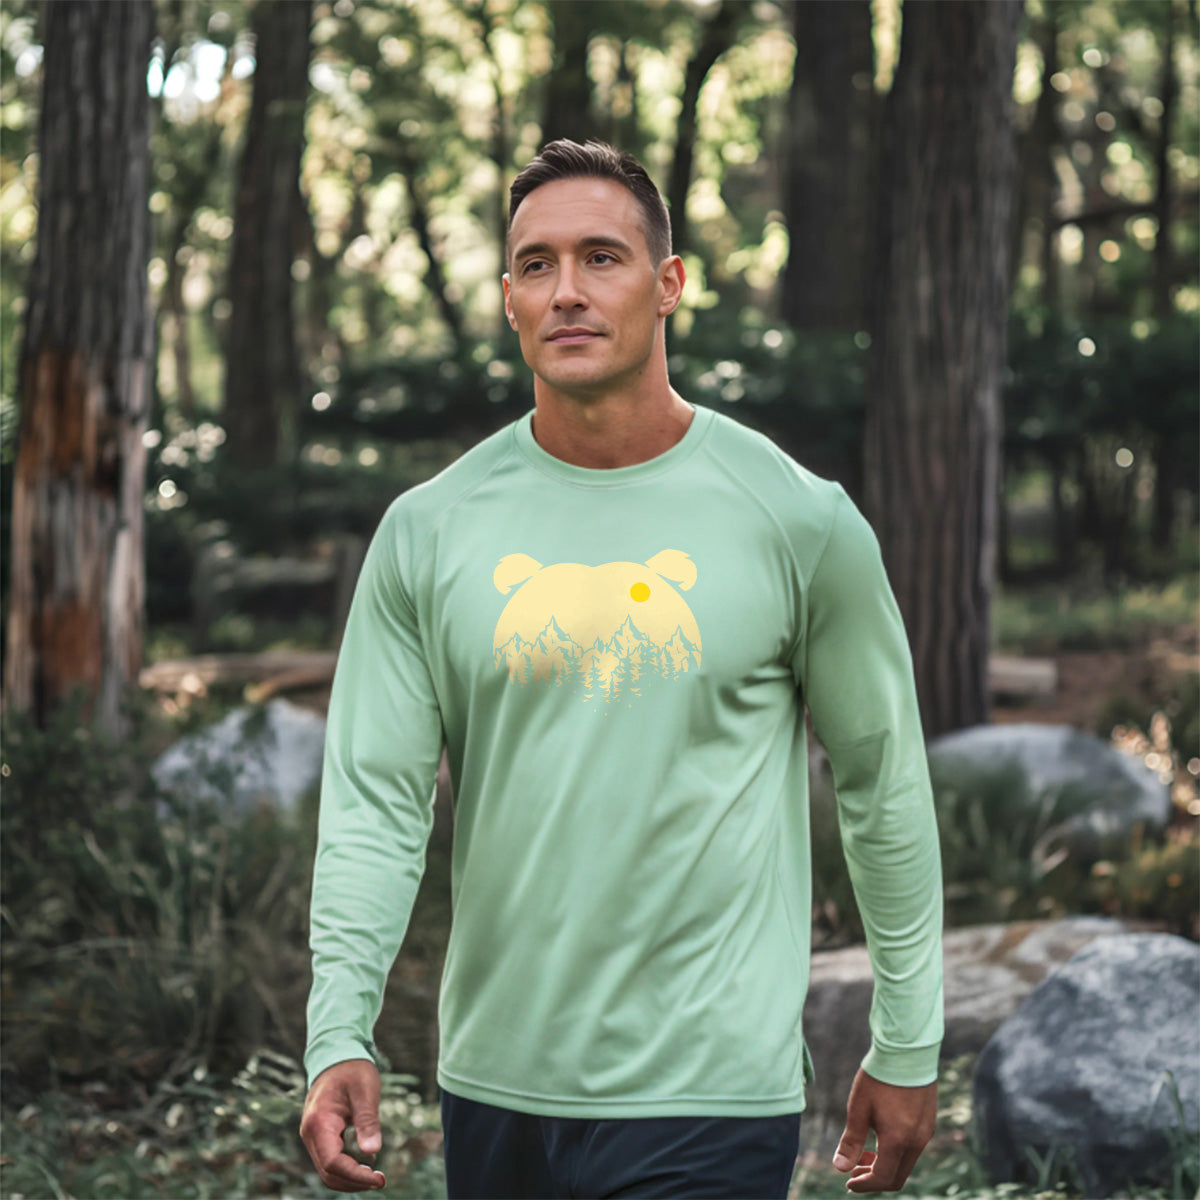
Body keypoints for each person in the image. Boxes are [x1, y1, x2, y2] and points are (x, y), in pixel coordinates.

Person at [299, 139, 943, 1198]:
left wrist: (909, 1037)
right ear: (510, 300)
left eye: (601, 257)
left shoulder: (798, 520)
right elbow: (376, 802)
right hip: (495, 1086)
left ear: (668, 283)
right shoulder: (429, 531)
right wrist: (338, 1029)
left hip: (710, 1089)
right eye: (537, 265)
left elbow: (883, 784)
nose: (568, 290)